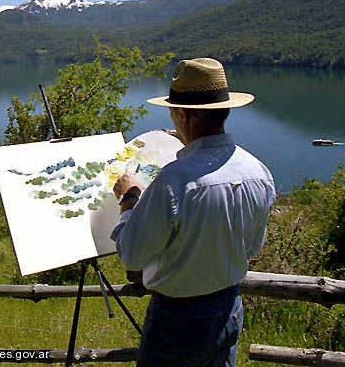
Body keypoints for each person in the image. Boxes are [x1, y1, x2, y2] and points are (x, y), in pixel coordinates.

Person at [111, 58, 276, 367]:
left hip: (178, 317)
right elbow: (252, 247)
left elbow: (132, 255)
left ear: (182, 115)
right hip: (230, 306)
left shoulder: (174, 180)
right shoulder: (258, 171)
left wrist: (130, 199)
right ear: (224, 110)